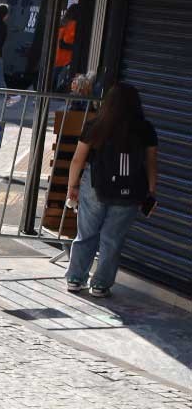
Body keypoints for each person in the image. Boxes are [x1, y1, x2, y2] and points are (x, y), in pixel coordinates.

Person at [65, 83, 159, 298]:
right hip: (130, 190)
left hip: (95, 186)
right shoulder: (145, 129)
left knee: (86, 232)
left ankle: (75, 278)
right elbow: (152, 162)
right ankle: (100, 285)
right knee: (112, 238)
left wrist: (73, 186)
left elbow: (78, 159)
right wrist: (152, 192)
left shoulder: (96, 125)